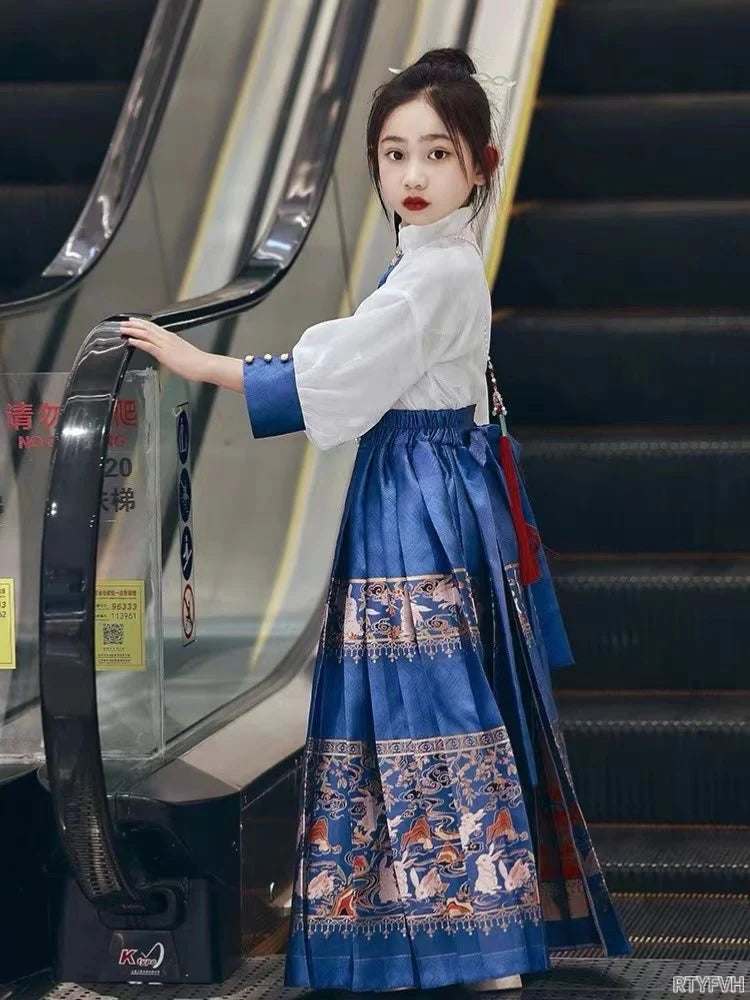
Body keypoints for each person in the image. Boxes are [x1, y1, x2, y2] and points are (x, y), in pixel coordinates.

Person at [120, 46, 631, 995]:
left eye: (436, 154)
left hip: (415, 500)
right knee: (428, 700)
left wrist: (202, 367)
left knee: (422, 702)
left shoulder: (431, 277)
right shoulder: (437, 263)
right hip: (436, 485)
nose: (412, 175)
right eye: (394, 155)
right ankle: (475, 935)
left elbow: (343, 371)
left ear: (478, 163)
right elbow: (360, 355)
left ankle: (470, 943)